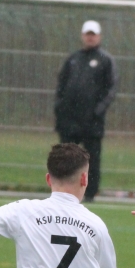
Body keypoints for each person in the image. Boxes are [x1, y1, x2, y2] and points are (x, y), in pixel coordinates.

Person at [54, 20, 117, 203]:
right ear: (82, 36)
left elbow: (111, 89)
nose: (90, 38)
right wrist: (60, 108)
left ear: (99, 37)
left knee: (91, 159)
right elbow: (61, 86)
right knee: (66, 158)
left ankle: (89, 193)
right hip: (69, 120)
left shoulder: (105, 60)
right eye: (87, 34)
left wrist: (97, 111)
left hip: (92, 121)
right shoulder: (73, 59)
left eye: (93, 34)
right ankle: (63, 192)